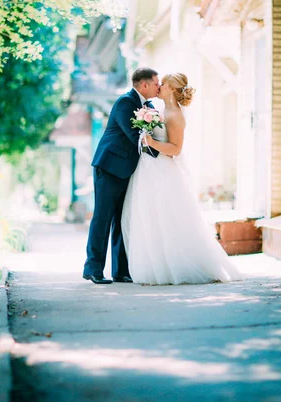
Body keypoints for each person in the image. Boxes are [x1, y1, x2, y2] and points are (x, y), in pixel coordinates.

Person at [121, 72, 243, 285]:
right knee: (150, 218)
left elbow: (176, 149)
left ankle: (175, 267)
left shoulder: (175, 115)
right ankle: (156, 267)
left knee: (167, 218)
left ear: (172, 89)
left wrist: (151, 142)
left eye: (163, 84)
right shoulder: (160, 110)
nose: (158, 87)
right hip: (148, 169)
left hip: (163, 172)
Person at [83, 67, 160, 284]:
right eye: (156, 83)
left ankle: (121, 271)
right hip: (108, 167)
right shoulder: (125, 102)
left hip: (127, 170)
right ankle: (93, 268)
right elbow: (135, 135)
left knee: (122, 219)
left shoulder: (150, 107)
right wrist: (160, 151)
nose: (159, 86)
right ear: (143, 85)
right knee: (103, 217)